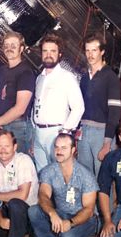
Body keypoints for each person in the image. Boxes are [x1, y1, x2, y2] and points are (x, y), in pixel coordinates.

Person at [28, 132, 98, 237]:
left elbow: (88, 210)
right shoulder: (48, 171)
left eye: (64, 148)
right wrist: (52, 213)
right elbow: (43, 195)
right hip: (61, 213)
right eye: (57, 147)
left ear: (73, 150)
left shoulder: (85, 175)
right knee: (34, 211)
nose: (59, 151)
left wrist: (70, 223)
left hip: (84, 219)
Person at [32, 34, 84, 171]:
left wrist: (66, 132)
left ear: (60, 54)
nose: (48, 55)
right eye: (45, 51)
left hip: (56, 134)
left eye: (53, 51)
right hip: (38, 134)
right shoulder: (39, 78)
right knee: (43, 176)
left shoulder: (67, 77)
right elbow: (36, 105)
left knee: (59, 176)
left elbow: (78, 108)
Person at [77, 32, 120, 177]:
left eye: (94, 50)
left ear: (102, 52)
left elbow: (114, 112)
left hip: (101, 133)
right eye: (87, 50)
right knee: (85, 178)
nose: (90, 54)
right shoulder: (83, 77)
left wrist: (107, 142)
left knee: (103, 180)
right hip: (84, 132)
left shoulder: (111, 76)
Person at [0, 31, 36, 156]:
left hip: (18, 128)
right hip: (0, 125)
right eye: (6, 45)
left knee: (18, 167)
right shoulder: (2, 70)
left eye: (13, 46)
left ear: (21, 48)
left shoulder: (26, 72)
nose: (9, 49)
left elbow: (20, 109)